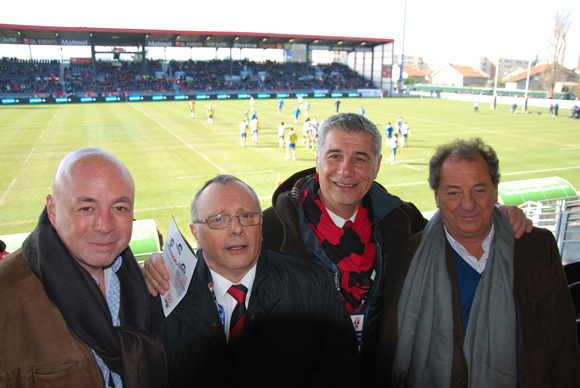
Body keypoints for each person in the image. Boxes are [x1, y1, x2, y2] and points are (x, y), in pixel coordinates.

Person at [144, 114, 531, 386]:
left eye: (360, 158)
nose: (346, 170)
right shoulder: (270, 223)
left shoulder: (402, 220)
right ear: (317, 160)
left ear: (376, 166)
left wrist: (502, 217)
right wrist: (167, 265)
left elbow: (459, 223)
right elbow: (221, 259)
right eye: (335, 156)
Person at [392, 138, 580, 387]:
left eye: (479, 190)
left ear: (495, 191)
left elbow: (563, 341)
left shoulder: (536, 246)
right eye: (454, 192)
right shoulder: (410, 254)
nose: (468, 204)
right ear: (437, 198)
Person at [150, 175, 359, 387]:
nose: (236, 228)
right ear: (195, 233)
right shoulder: (162, 294)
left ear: (261, 227)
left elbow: (343, 373)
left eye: (247, 216)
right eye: (219, 219)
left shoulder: (315, 287)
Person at [0, 148, 166, 387]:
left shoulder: (138, 283)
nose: (105, 226)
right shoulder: (7, 298)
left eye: (119, 208)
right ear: (52, 210)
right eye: (87, 208)